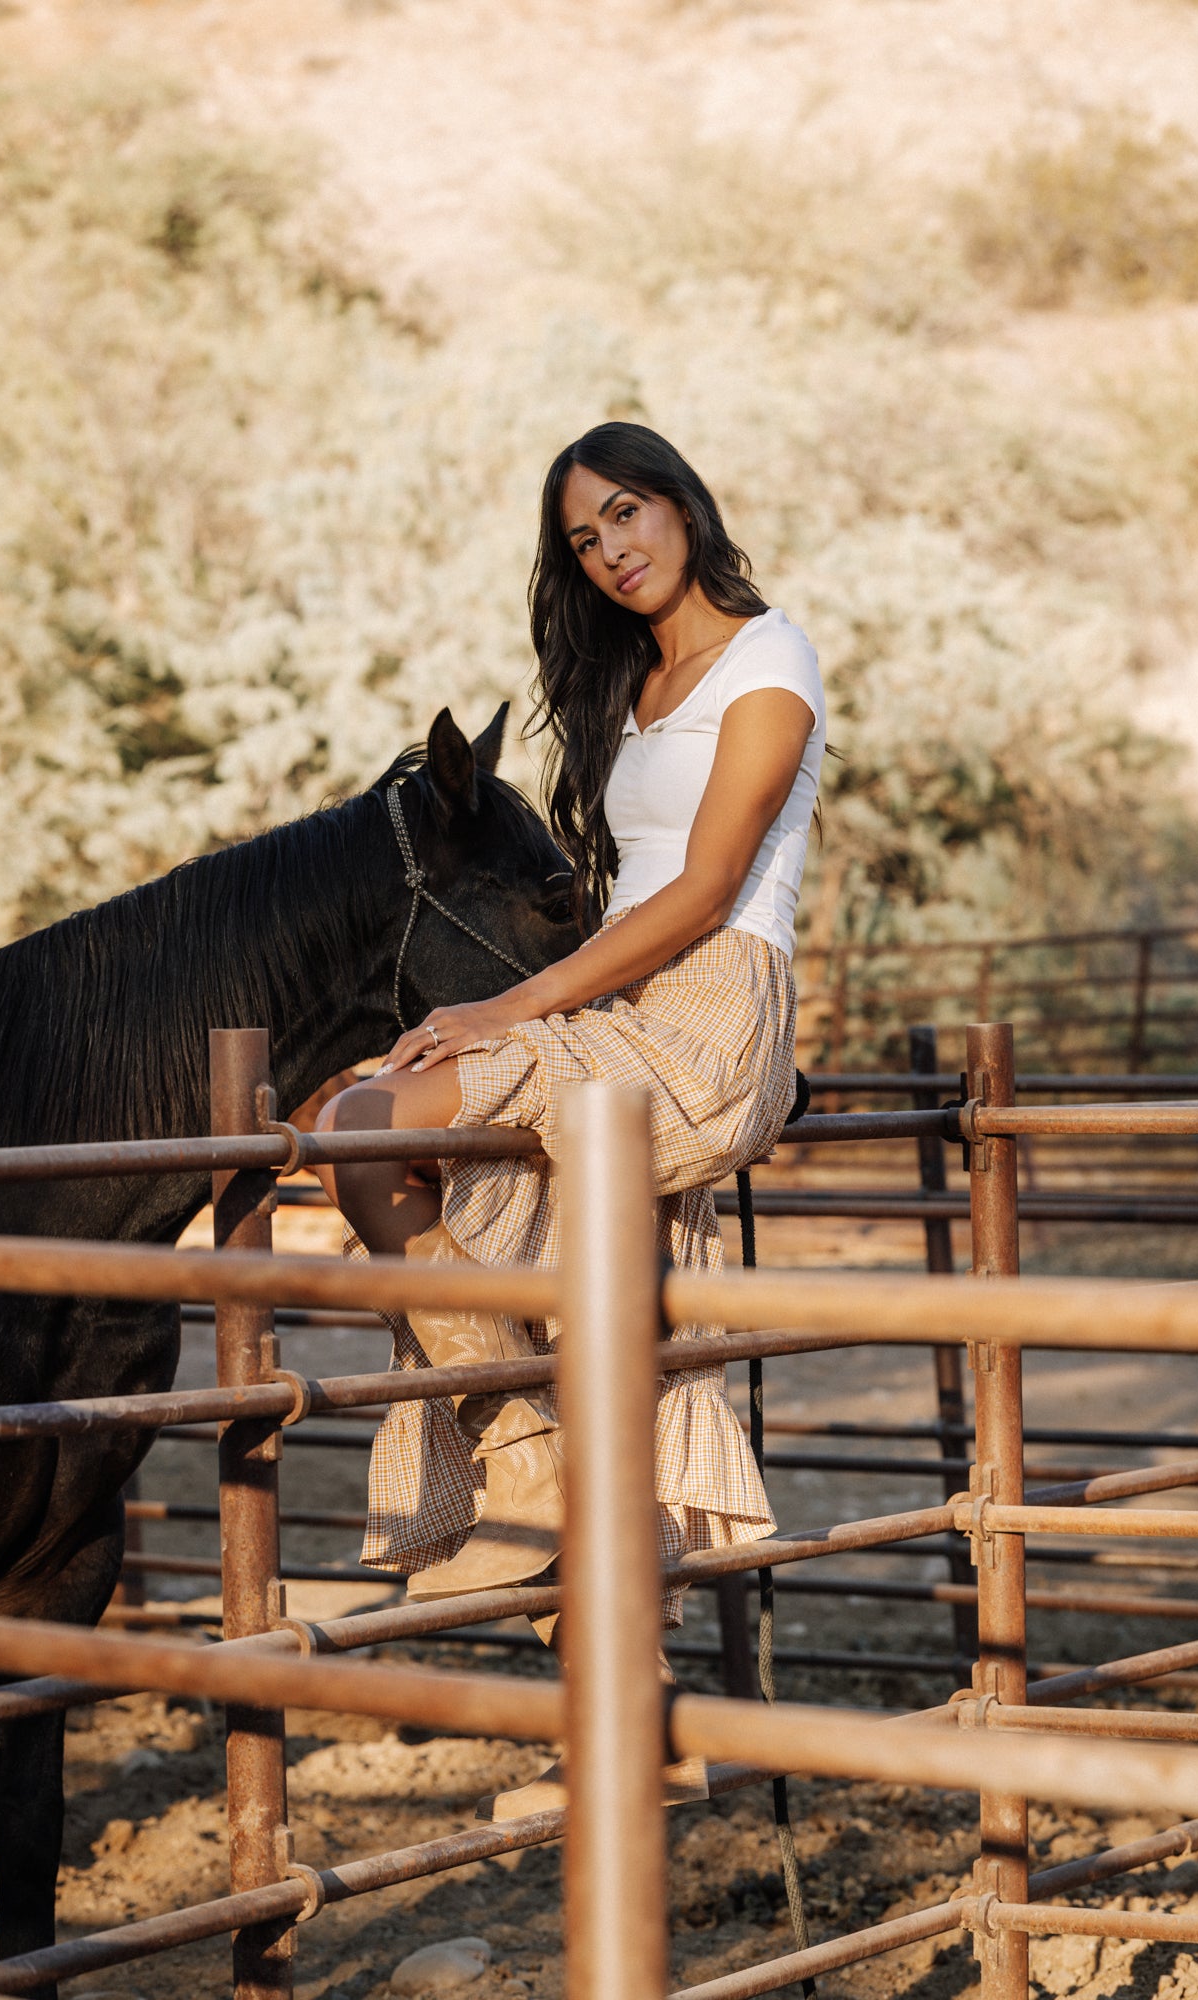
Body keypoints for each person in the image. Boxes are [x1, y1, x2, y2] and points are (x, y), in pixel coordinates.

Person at [315, 421, 826, 1644]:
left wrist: (504, 1008)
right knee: (566, 1320)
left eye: (624, 515)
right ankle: (614, 1677)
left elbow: (705, 892)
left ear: (680, 505)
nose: (609, 551)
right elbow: (634, 891)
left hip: (705, 1021)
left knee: (362, 1118)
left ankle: (522, 1458)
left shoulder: (770, 661)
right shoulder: (638, 688)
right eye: (582, 538)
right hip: (623, 1015)